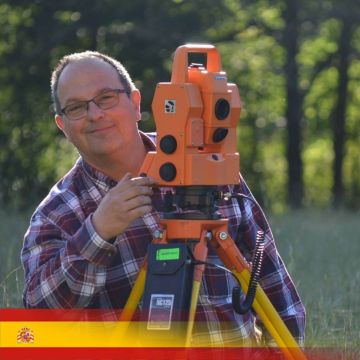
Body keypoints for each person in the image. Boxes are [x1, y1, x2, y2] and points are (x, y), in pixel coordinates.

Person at [21, 50, 305, 347]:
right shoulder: (58, 212)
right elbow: (40, 319)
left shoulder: (204, 163)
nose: (95, 114)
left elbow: (276, 292)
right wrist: (98, 232)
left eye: (106, 98)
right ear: (62, 125)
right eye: (77, 107)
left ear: (135, 103)